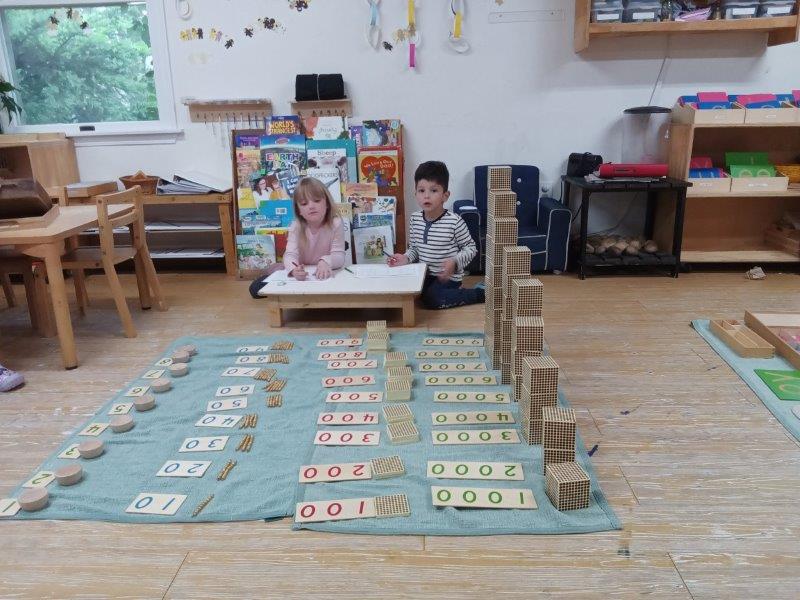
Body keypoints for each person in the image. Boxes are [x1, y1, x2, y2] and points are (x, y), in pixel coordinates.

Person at [388, 160, 484, 309]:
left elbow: (471, 248)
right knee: (406, 291)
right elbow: (414, 249)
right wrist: (405, 258)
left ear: (445, 196)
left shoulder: (454, 221)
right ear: (415, 194)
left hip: (447, 278)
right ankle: (445, 294)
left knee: (432, 299)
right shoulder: (415, 219)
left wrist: (455, 262)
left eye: (433, 191)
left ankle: (478, 293)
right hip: (424, 274)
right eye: (421, 191)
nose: (426, 196)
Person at [283, 176, 346, 281]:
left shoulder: (336, 223)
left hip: (326, 277)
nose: (311, 206)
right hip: (305, 277)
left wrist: (325, 261)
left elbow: (339, 255)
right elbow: (290, 255)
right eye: (304, 203)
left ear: (327, 204)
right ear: (299, 210)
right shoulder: (296, 227)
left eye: (316, 200)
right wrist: (294, 269)